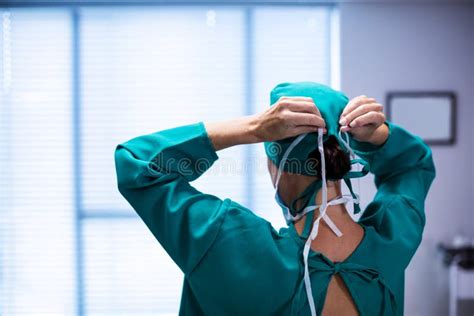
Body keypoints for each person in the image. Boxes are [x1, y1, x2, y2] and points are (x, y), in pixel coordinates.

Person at [114, 82, 435, 315]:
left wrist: (252, 128)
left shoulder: (229, 245)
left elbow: (138, 165)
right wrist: (377, 137)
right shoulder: (393, 241)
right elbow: (412, 165)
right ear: (343, 161)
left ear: (279, 169)